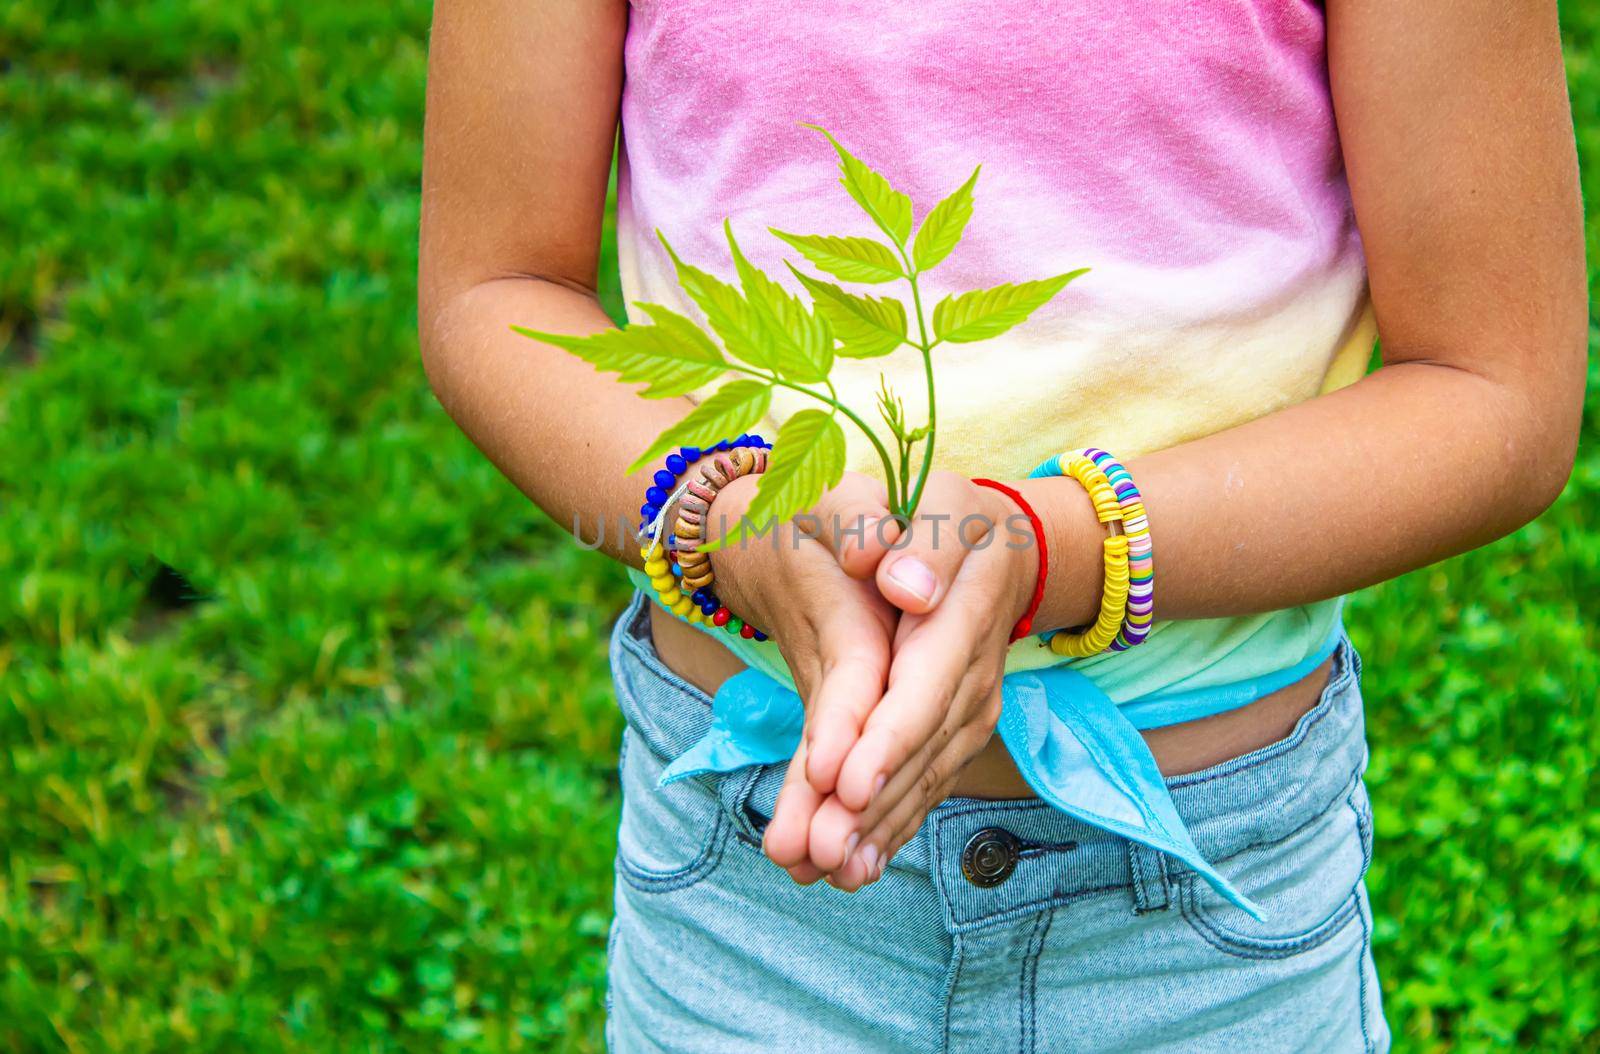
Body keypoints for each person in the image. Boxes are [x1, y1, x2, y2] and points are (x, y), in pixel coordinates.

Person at [417, 2, 1585, 1049]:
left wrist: (1050, 548)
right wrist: (726, 513)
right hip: (751, 901)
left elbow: (1492, 386)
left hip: (1202, 918)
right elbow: (496, 284)